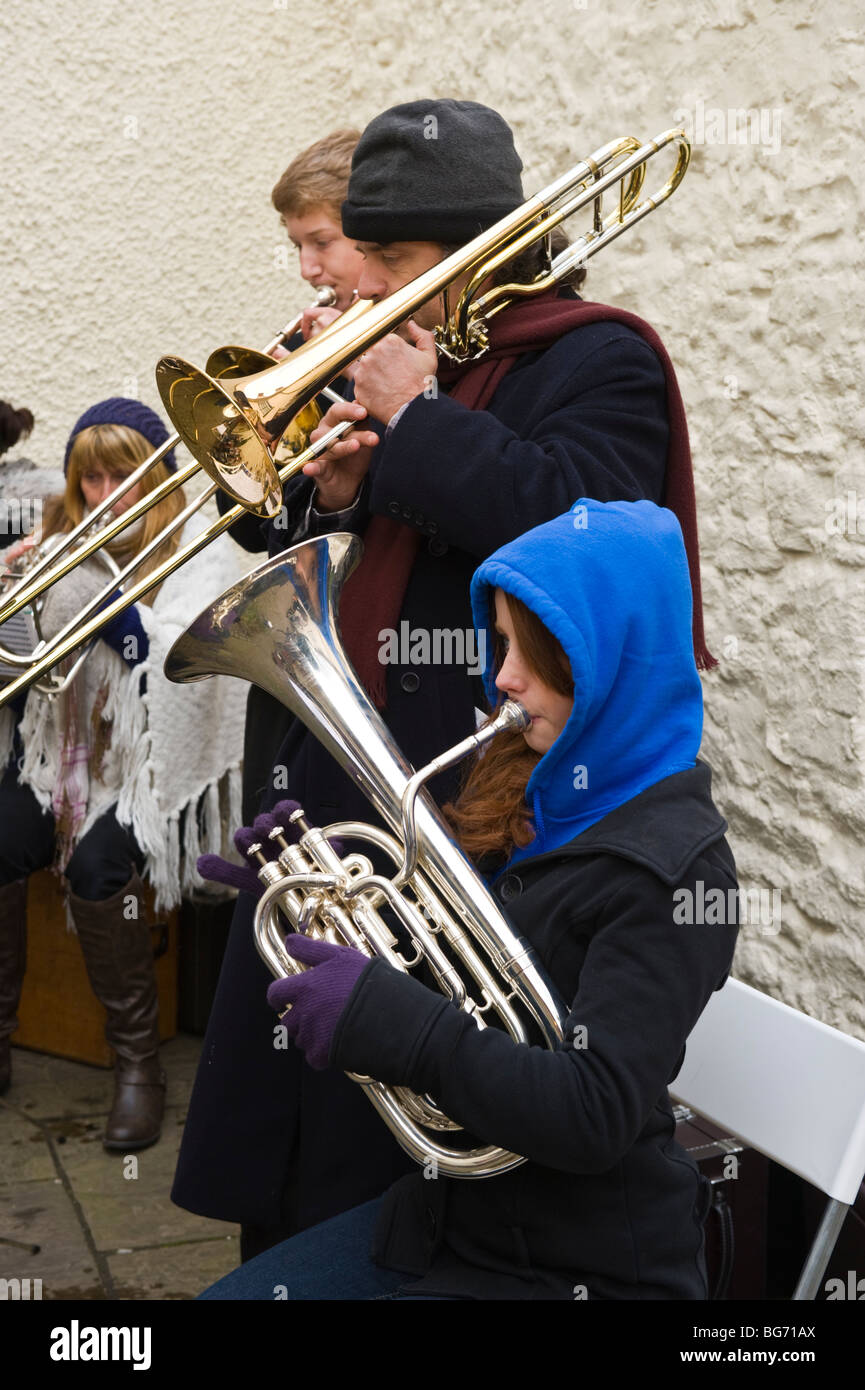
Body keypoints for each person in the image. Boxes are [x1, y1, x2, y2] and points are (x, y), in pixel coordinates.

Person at [172, 98, 715, 1261]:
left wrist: (413, 419)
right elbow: (380, 548)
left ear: (487, 250)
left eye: (400, 262)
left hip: (471, 801)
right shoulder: (441, 357)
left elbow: (576, 546)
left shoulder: (595, 356)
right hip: (353, 765)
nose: (370, 286)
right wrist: (339, 488)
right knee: (291, 1125)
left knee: (376, 1146)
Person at [199, 499, 739, 1300]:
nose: (504, 676)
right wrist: (318, 895)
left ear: (614, 658)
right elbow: (464, 981)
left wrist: (392, 1023)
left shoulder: (679, 874)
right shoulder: (529, 785)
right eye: (502, 641)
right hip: (449, 1220)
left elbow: (592, 1114)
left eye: (537, 648)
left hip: (581, 1262)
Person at [0, 398, 248, 1147]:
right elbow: (19, 672)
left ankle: (137, 1066)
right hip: (64, 756)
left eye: (125, 479)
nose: (108, 496)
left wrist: (122, 620)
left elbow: (196, 675)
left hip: (149, 773)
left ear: (158, 480)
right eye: (93, 480)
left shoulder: (197, 548)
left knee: (101, 869)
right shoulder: (56, 540)